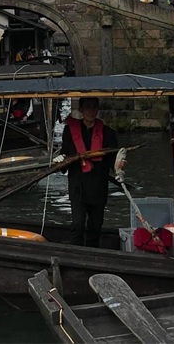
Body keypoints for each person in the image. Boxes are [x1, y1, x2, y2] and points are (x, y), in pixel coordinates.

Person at [55, 97, 123, 247]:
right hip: (78, 185)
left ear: (97, 109)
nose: (91, 111)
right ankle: (76, 254)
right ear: (81, 109)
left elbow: (113, 160)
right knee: (77, 224)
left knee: (95, 226)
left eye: (94, 107)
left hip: (98, 185)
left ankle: (93, 254)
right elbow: (65, 153)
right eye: (87, 107)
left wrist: (118, 167)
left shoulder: (108, 133)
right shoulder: (69, 131)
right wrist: (61, 159)